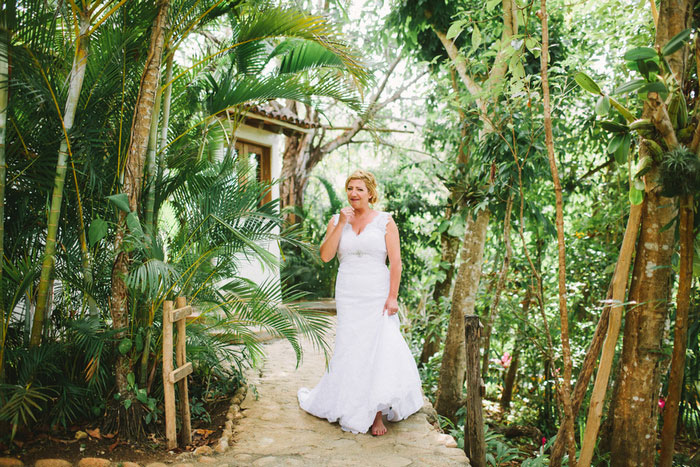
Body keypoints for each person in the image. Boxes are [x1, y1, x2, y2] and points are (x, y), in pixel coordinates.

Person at [297, 170, 423, 436]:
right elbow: (326, 256)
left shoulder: (385, 222)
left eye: (360, 189)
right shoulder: (337, 219)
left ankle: (376, 414)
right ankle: (348, 402)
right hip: (348, 292)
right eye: (350, 188)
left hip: (376, 293)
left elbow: (396, 263)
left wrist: (392, 296)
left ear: (370, 193)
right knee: (350, 347)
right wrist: (341, 223)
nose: (354, 193)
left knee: (377, 349)